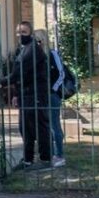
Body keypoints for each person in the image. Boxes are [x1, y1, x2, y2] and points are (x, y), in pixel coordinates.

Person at [1, 21, 52, 170]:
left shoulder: (33, 50)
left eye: (23, 32)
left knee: (39, 127)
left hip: (35, 94)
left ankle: (45, 159)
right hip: (26, 94)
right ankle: (28, 159)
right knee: (25, 128)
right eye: (18, 32)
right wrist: (16, 93)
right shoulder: (24, 49)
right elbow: (21, 75)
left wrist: (1, 81)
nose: (19, 35)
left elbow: (20, 73)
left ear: (30, 33)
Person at [34, 30, 67, 168]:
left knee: (54, 125)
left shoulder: (52, 54)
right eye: (35, 41)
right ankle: (48, 154)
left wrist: (53, 89)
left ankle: (59, 154)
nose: (37, 43)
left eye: (39, 40)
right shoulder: (35, 55)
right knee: (43, 126)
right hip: (39, 95)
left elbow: (61, 73)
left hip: (52, 95)